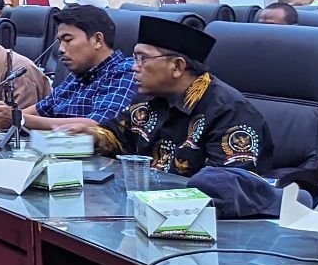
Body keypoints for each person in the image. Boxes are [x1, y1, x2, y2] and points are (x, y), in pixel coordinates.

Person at [83, 15, 271, 176]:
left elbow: (227, 183)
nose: (134, 67)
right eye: (135, 58)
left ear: (177, 67)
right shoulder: (148, 99)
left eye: (142, 58)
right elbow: (117, 137)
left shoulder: (229, 112)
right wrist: (91, 136)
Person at [0, 4, 137, 132]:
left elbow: (99, 125)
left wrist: (17, 119)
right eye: (60, 41)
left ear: (97, 40)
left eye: (68, 40)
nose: (61, 49)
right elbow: (40, 109)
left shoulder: (126, 71)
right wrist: (1, 116)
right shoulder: (77, 76)